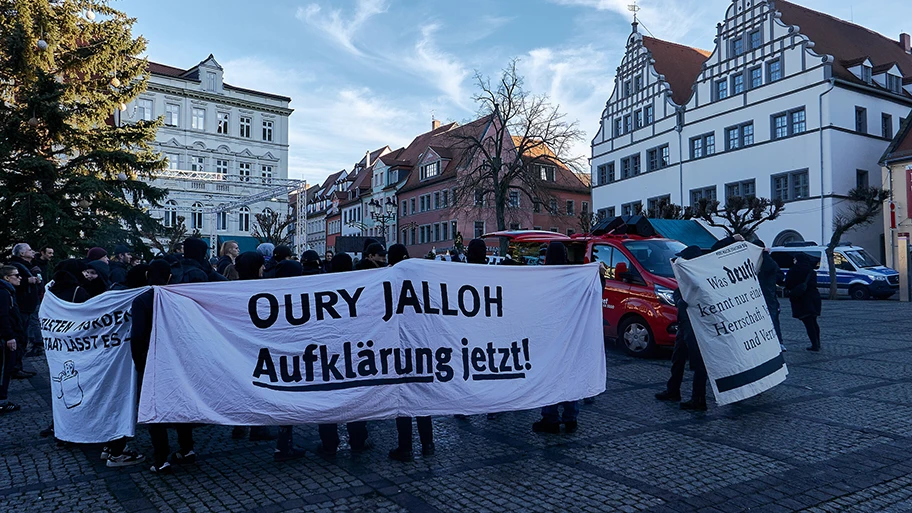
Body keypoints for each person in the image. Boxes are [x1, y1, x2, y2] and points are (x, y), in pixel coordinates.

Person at [131, 259, 191, 473]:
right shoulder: (177, 298)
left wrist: (138, 361)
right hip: (177, 356)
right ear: (168, 277)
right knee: (180, 400)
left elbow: (137, 335)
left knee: (154, 406)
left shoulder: (142, 300)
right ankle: (187, 448)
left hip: (152, 359)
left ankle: (160, 458)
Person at [316, 253, 373, 457]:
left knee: (328, 396)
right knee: (355, 396)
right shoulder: (359, 286)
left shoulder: (323, 285)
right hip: (355, 352)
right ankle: (358, 438)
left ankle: (329, 442)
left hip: (328, 352)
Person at [386, 245, 435, 461]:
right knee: (421, 397)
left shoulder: (386, 280)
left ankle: (405, 447)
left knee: (403, 399)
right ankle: (428, 443)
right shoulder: (420, 280)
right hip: (420, 345)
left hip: (397, 348)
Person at [532, 242, 581, 433]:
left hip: (550, 336)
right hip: (571, 335)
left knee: (550, 377)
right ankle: (571, 417)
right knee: (569, 375)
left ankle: (550, 418)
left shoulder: (544, 279)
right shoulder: (574, 277)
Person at [655, 245, 708, 411]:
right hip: (684, 323)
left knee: (698, 363)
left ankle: (699, 399)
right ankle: (673, 390)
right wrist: (680, 300)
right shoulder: (687, 275)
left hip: (696, 325)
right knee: (678, 359)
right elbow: (679, 292)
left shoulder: (702, 277)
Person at [8, 243, 40, 378]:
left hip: (27, 307)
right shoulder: (16, 266)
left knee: (23, 337)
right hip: (22, 307)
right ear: (21, 254)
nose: (33, 251)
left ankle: (17, 366)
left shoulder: (28, 266)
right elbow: (13, 283)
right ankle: (15, 368)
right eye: (29, 250)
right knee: (20, 337)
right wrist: (28, 280)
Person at [754, 239, 786, 352]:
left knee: (772, 319)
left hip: (768, 296)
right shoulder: (759, 261)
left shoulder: (767, 261)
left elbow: (776, 272)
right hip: (764, 296)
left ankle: (778, 342)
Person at [786, 253, 822, 352]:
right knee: (813, 321)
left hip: (801, 299)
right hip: (814, 297)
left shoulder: (794, 270)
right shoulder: (811, 271)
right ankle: (817, 343)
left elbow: (788, 284)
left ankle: (815, 345)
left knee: (808, 322)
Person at [0, 266, 24, 413]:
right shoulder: (3, 293)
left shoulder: (7, 291)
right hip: (5, 338)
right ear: (7, 278)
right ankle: (1, 401)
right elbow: (3, 316)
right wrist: (9, 336)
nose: (20, 277)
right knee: (4, 369)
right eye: (16, 275)